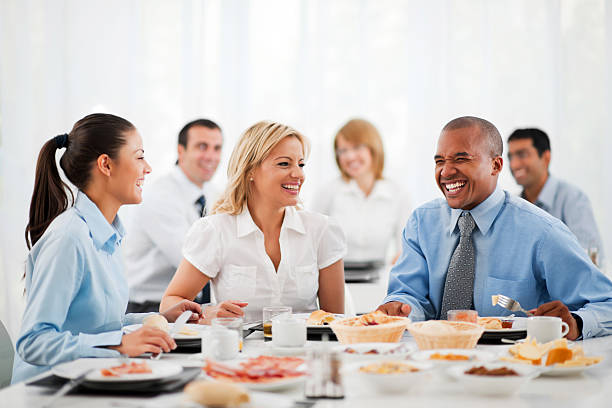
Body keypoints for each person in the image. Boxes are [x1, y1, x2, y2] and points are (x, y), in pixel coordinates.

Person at [377, 116, 612, 340]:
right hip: (431, 361)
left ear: (496, 165)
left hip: (512, 368)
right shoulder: (421, 223)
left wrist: (577, 322)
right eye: (440, 161)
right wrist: (399, 308)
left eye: (460, 159)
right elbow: (409, 296)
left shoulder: (543, 232)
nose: (446, 172)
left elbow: (606, 304)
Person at [12, 113, 201, 383]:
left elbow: (101, 327)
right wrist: (118, 346)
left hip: (91, 380)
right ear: (106, 165)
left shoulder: (106, 235)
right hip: (48, 391)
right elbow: (33, 341)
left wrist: (160, 318)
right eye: (139, 156)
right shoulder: (70, 238)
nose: (147, 168)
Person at [160, 121, 347, 323]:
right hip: (236, 351)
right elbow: (170, 303)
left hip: (305, 351)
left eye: (300, 164)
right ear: (250, 171)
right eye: (284, 163)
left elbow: (336, 322)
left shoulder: (322, 230)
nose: (299, 174)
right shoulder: (215, 231)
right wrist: (206, 315)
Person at [123, 119, 223, 313]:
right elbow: (195, 259)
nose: (211, 156)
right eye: (202, 147)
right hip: (150, 309)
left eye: (217, 148)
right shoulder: (160, 196)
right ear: (181, 151)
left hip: (190, 304)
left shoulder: (214, 193)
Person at [311, 119, 411, 265]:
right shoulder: (327, 192)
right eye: (343, 150)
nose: (350, 157)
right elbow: (311, 245)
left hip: (378, 281)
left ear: (373, 149)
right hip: (337, 281)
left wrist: (402, 259)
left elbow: (404, 251)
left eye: (357, 148)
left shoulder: (398, 194)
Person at [507, 128, 604, 264]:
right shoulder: (513, 206)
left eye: (522, 155)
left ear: (546, 158)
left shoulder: (573, 199)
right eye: (510, 157)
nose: (514, 164)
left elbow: (590, 259)